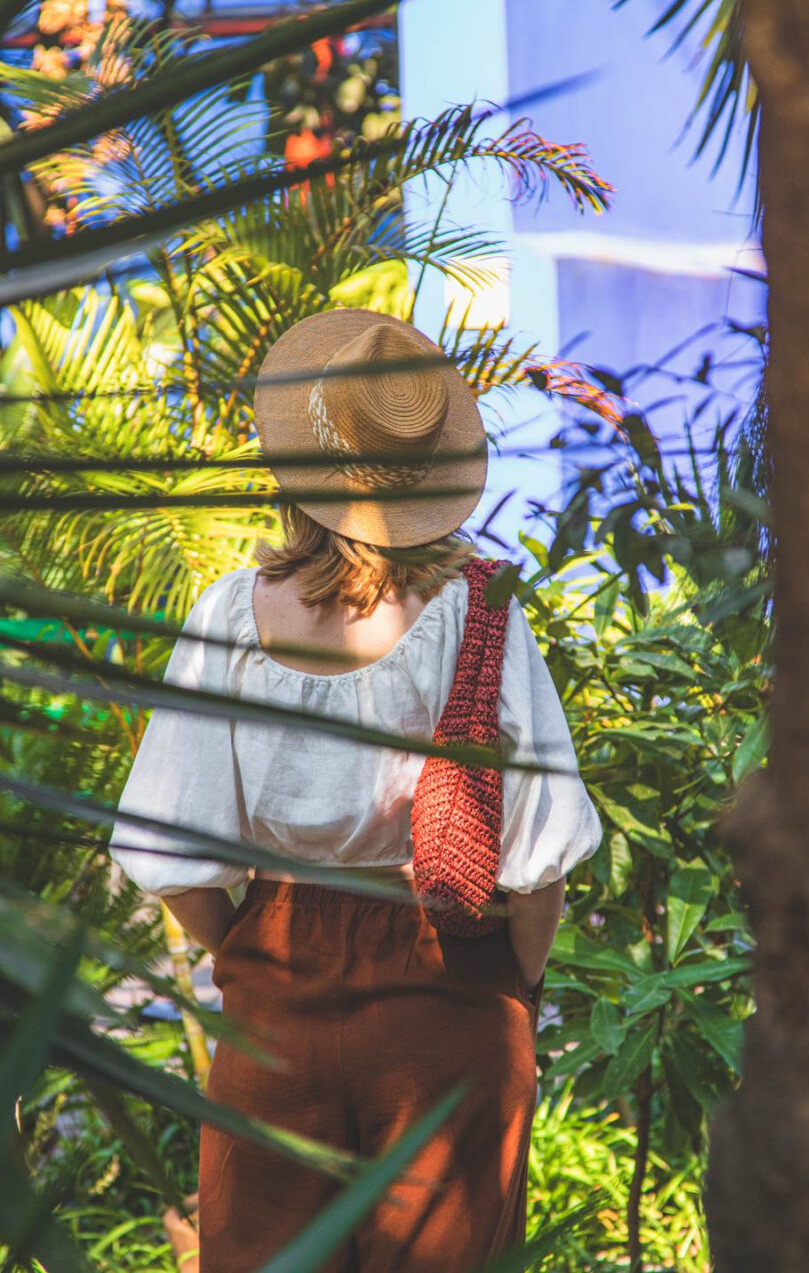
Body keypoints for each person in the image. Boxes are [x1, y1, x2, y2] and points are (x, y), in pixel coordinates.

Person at [108, 309, 603, 1272]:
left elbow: (172, 860)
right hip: (451, 999)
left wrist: (258, 954)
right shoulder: (479, 612)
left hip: (276, 1005)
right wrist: (518, 992)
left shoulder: (228, 616)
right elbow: (540, 861)